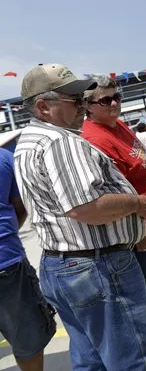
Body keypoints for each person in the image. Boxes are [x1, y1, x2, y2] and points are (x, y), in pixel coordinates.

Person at [13, 63, 146, 370]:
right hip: (96, 266)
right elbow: (85, 207)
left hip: (65, 265)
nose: (83, 106)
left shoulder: (28, 141)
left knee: (91, 359)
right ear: (43, 107)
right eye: (74, 100)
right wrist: (137, 203)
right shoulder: (61, 141)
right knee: (132, 359)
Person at [81, 76, 146, 363]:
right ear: (88, 107)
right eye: (105, 100)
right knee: (139, 289)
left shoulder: (117, 124)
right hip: (129, 233)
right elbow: (110, 193)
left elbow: (138, 156)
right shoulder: (95, 139)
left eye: (117, 96)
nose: (114, 103)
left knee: (143, 285)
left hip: (141, 223)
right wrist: (139, 231)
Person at [0, 147, 56, 371]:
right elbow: (20, 209)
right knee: (27, 339)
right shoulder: (4, 158)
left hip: (7, 263)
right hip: (6, 262)